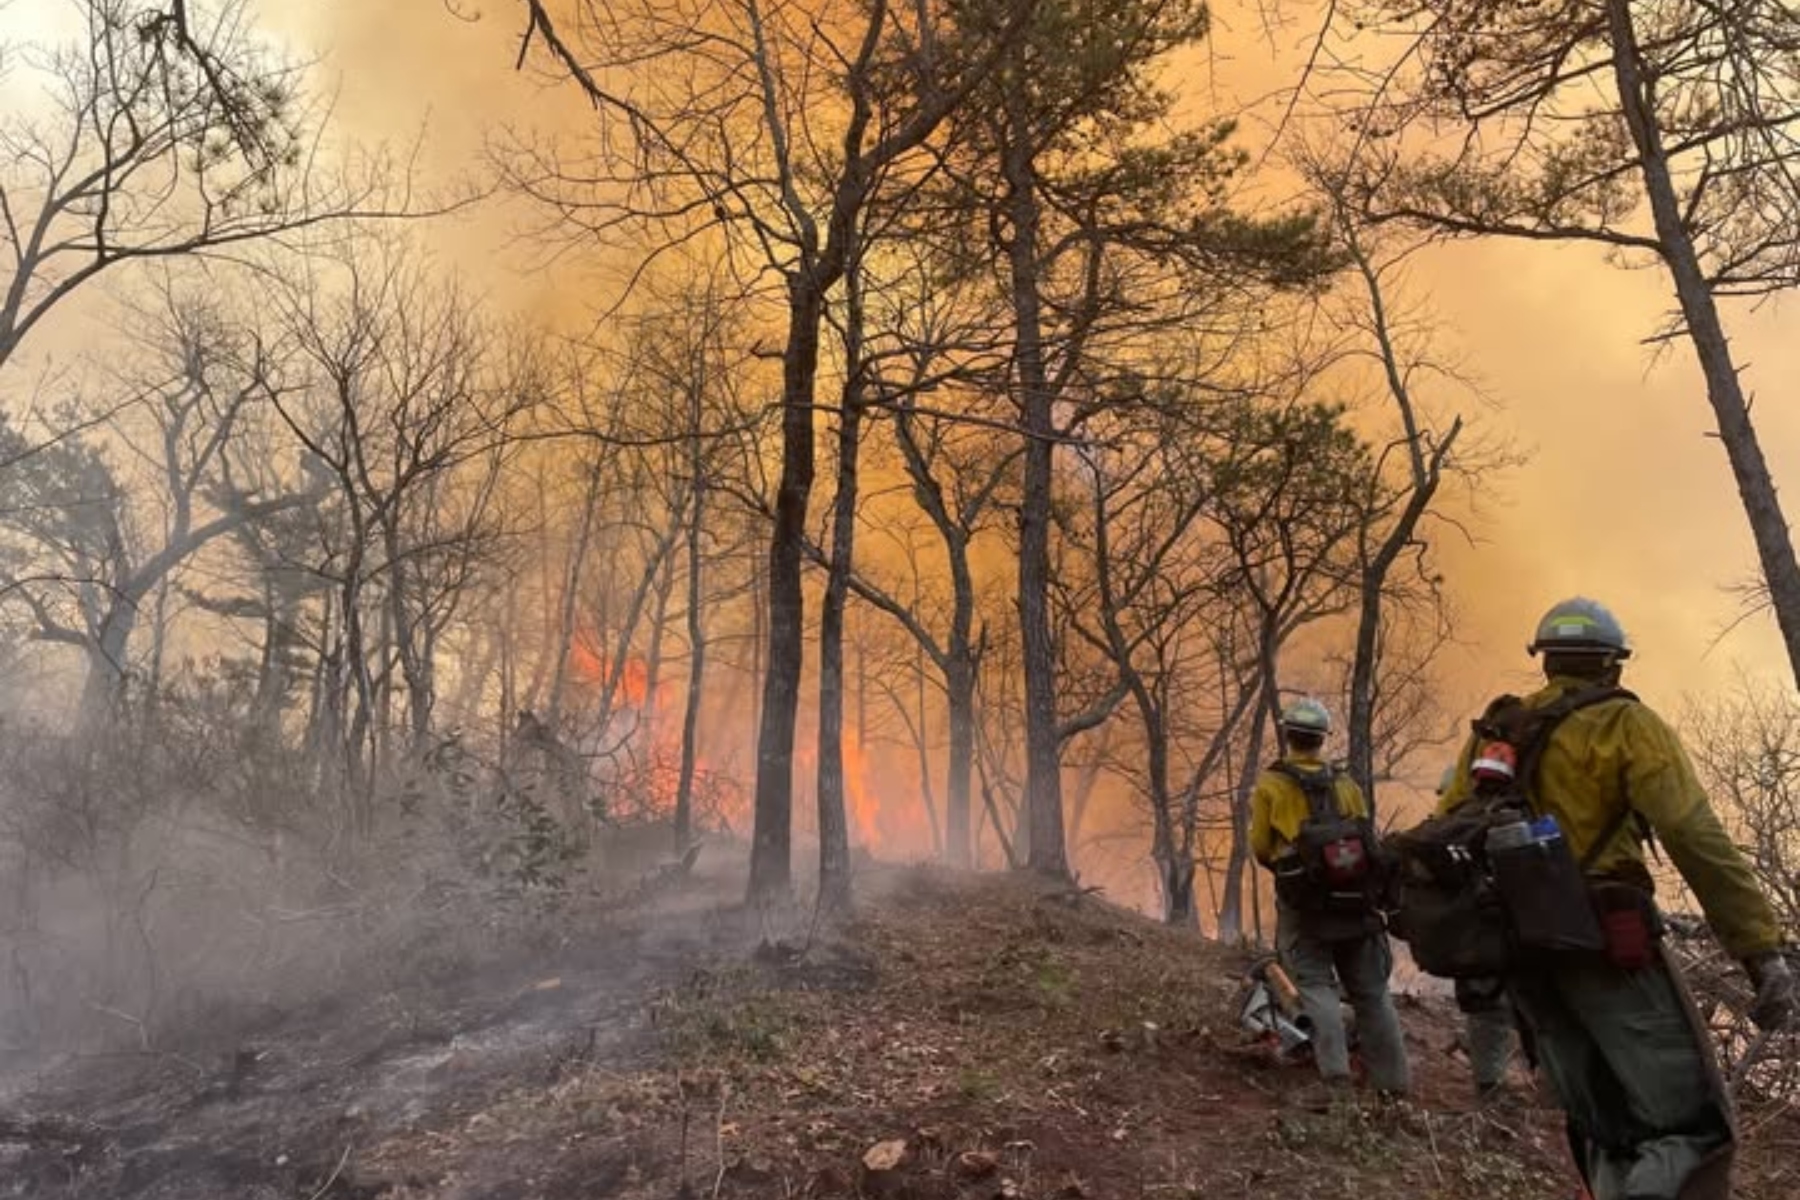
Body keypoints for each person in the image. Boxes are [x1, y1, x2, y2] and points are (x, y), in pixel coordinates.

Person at [1438, 597, 1796, 1200]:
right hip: (1609, 947)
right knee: (1692, 1131)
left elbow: (1448, 830)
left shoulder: (1499, 736)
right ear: (1613, 667)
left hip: (1523, 957)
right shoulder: (1626, 725)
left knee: (1606, 1130)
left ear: (1546, 662)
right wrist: (1759, 948)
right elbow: (1693, 835)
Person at [1251, 697, 1410, 1105]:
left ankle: (1336, 1081)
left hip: (1305, 906)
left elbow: (1261, 847)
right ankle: (1394, 1085)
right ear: (1322, 740)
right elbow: (1365, 836)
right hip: (1357, 904)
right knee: (1372, 992)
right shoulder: (1346, 784)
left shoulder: (1272, 785)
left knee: (1317, 985)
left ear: (1289, 735)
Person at [1434, 762, 1520, 1103]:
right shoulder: (1520, 819)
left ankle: (1490, 1088)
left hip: (1475, 938)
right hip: (1520, 932)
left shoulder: (1447, 832)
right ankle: (1553, 1091)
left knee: (1486, 1010)